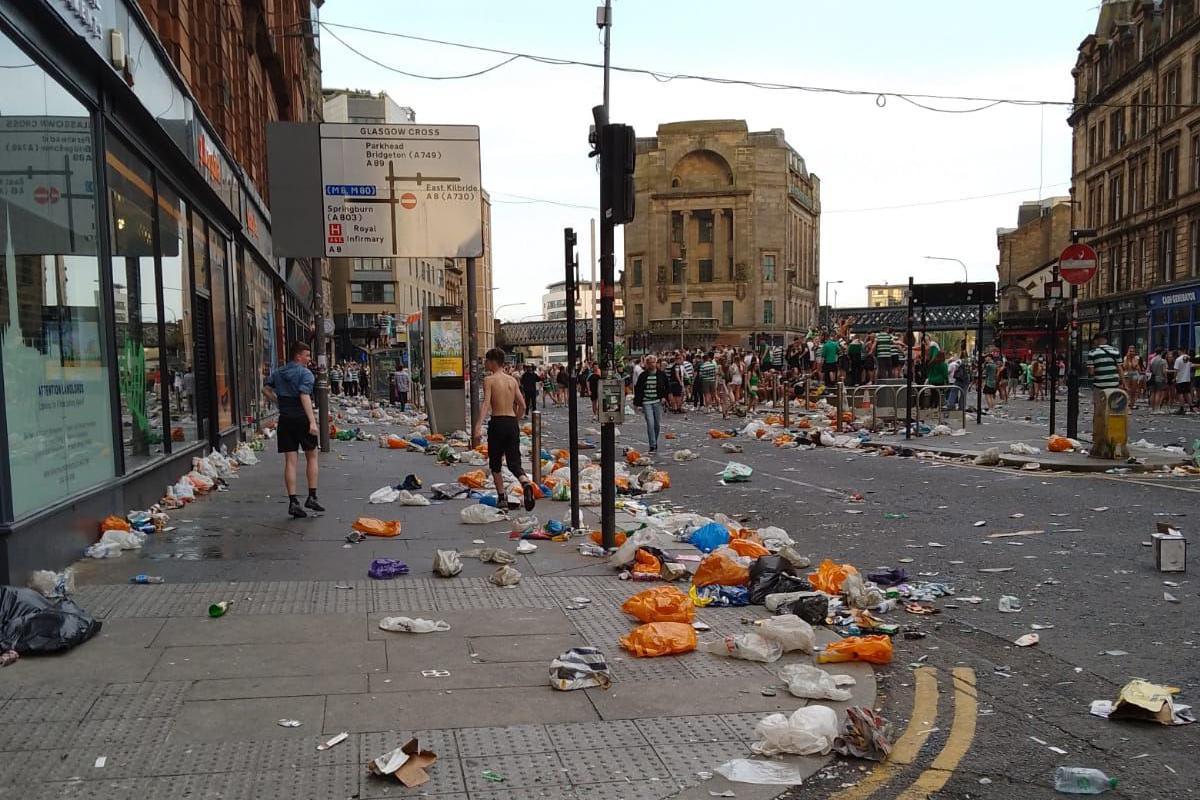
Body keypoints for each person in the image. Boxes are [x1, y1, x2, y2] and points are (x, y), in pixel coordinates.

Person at [264, 342, 323, 518]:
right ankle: (312, 496)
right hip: (301, 417)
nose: (309, 358)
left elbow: (265, 389)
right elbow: (304, 396)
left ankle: (293, 501)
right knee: (312, 455)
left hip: (285, 419)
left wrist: (278, 402)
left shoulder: (278, 372)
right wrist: (312, 422)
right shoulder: (306, 374)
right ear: (298, 356)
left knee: (290, 460)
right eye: (307, 355)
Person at [474, 348, 536, 512]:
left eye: (486, 361)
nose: (485, 364)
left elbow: (486, 404)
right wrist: (516, 420)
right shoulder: (512, 381)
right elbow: (522, 405)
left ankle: (502, 497)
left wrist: (478, 425)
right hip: (511, 422)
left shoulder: (489, 380)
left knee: (495, 463)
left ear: (493, 361)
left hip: (498, 422)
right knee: (514, 462)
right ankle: (525, 483)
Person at [633, 354, 668, 452]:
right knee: (650, 423)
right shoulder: (643, 376)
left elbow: (666, 386)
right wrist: (637, 403)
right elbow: (638, 389)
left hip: (657, 401)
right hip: (646, 401)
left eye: (653, 362)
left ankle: (655, 441)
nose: (652, 364)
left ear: (656, 363)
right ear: (647, 364)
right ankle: (652, 444)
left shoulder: (661, 374)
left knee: (657, 424)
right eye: (649, 363)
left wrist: (664, 397)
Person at [1086, 332, 1122, 415]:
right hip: (1113, 383)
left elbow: (1091, 372)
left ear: (1096, 341)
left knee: (1098, 408)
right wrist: (1123, 383)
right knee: (1113, 407)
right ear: (1106, 340)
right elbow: (1120, 368)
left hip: (1099, 385)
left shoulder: (1092, 352)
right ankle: (1110, 424)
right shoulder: (1115, 351)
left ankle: (1099, 425)